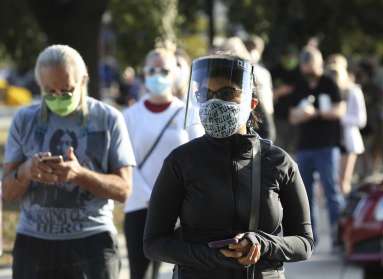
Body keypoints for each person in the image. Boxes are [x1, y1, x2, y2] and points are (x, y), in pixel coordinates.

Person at [144, 54, 313, 279]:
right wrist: (212, 255)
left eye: (226, 93)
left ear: (252, 103)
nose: (214, 102)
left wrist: (262, 244)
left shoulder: (278, 162)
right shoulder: (181, 161)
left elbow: (304, 242)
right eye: (205, 94)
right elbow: (154, 243)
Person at [1, 45, 136, 279]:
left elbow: (124, 190)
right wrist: (26, 171)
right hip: (33, 244)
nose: (57, 97)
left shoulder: (107, 119)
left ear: (83, 80)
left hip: (92, 242)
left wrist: (79, 174)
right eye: (49, 91)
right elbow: (7, 192)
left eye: (66, 90)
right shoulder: (24, 120)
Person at [123, 48, 203, 279]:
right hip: (139, 205)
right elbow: (125, 162)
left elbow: (197, 158)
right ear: (144, 74)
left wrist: (174, 200)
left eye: (165, 70)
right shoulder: (130, 115)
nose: (158, 75)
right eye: (152, 70)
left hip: (179, 209)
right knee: (141, 272)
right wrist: (152, 197)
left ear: (176, 73)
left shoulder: (187, 114)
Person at [288, 46, 345, 245]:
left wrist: (318, 113)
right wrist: (303, 115)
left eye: (309, 62)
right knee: (305, 193)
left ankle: (339, 234)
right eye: (304, 63)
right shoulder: (300, 85)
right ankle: (310, 237)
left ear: (318, 62)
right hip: (305, 147)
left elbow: (339, 110)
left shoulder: (329, 83)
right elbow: (292, 116)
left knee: (332, 191)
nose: (306, 67)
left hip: (327, 146)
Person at [326, 54, 367, 195]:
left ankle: (343, 213)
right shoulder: (327, 91)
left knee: (344, 182)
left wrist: (339, 117)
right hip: (330, 140)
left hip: (347, 142)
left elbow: (361, 120)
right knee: (329, 181)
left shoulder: (353, 90)